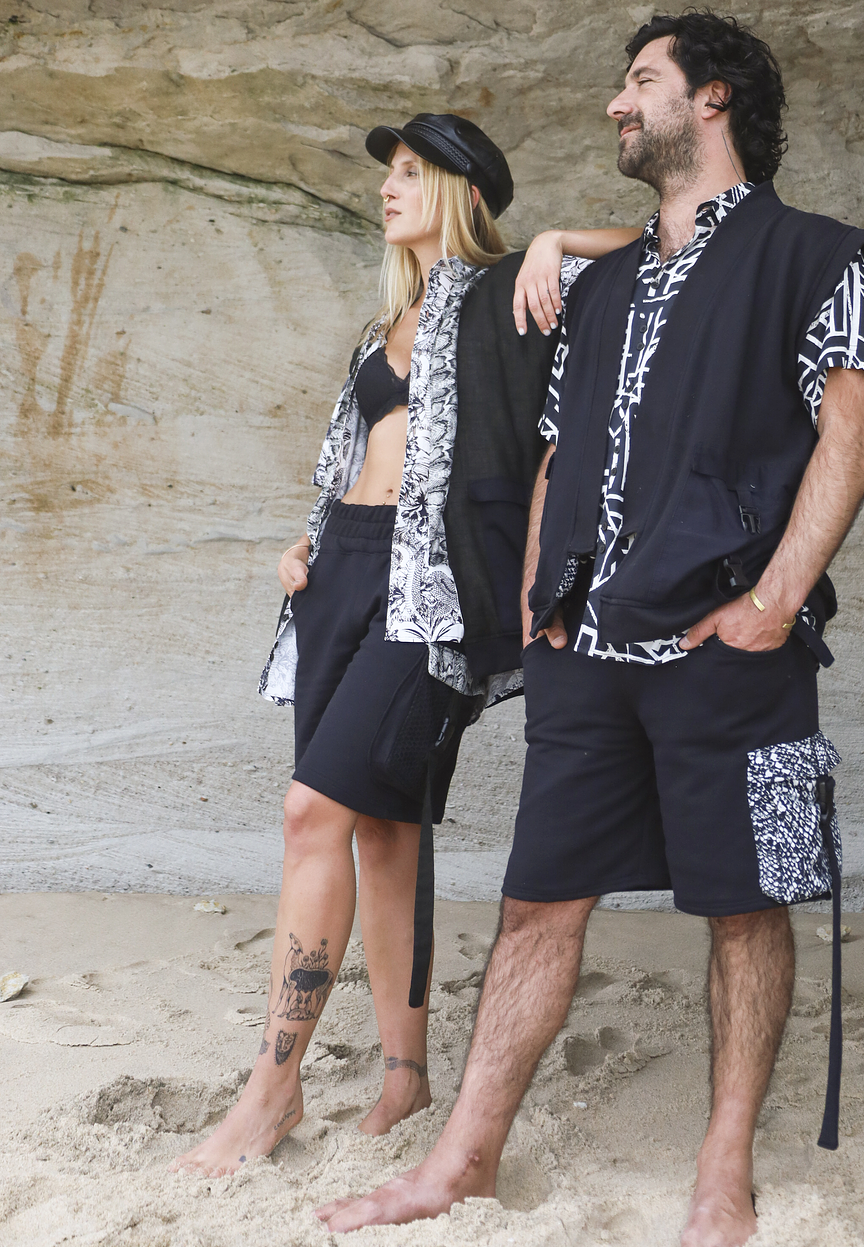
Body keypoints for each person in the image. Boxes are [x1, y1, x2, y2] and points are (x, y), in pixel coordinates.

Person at [315, 11, 864, 1246]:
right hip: (583, 651)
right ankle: (463, 1158)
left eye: (641, 81)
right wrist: (538, 604)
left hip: (733, 653)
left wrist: (776, 600)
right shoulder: (603, 283)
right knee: (537, 903)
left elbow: (850, 427)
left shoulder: (816, 254)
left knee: (749, 905)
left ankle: (723, 1170)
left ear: (713, 98)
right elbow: (556, 450)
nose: (619, 105)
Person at [172, 113, 636, 1177]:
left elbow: (664, 244)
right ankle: (404, 1072)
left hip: (432, 593)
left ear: (465, 192)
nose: (389, 187)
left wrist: (559, 240)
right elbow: (359, 458)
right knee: (380, 828)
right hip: (341, 571)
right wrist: (307, 537)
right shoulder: (384, 323)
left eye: (413, 172)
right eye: (388, 173)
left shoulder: (518, 290)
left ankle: (271, 1088)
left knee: (309, 813)